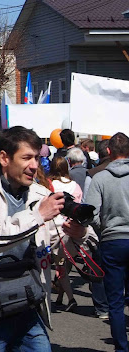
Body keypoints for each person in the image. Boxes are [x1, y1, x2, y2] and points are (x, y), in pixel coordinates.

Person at [0, 126, 90, 351]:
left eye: (36, 157)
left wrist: (76, 234)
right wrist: (37, 216)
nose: (34, 165)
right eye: (26, 158)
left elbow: (53, 239)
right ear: (5, 158)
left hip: (28, 302)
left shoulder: (39, 193)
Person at [87, 132, 129, 351]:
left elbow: (90, 213)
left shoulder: (100, 178)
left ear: (109, 152)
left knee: (115, 301)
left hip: (112, 240)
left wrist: (103, 228)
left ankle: (122, 347)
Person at [48, 156, 82, 312]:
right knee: (64, 266)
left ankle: (70, 298)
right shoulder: (75, 186)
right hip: (72, 228)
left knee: (59, 266)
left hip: (55, 229)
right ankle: (61, 297)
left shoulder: (50, 185)